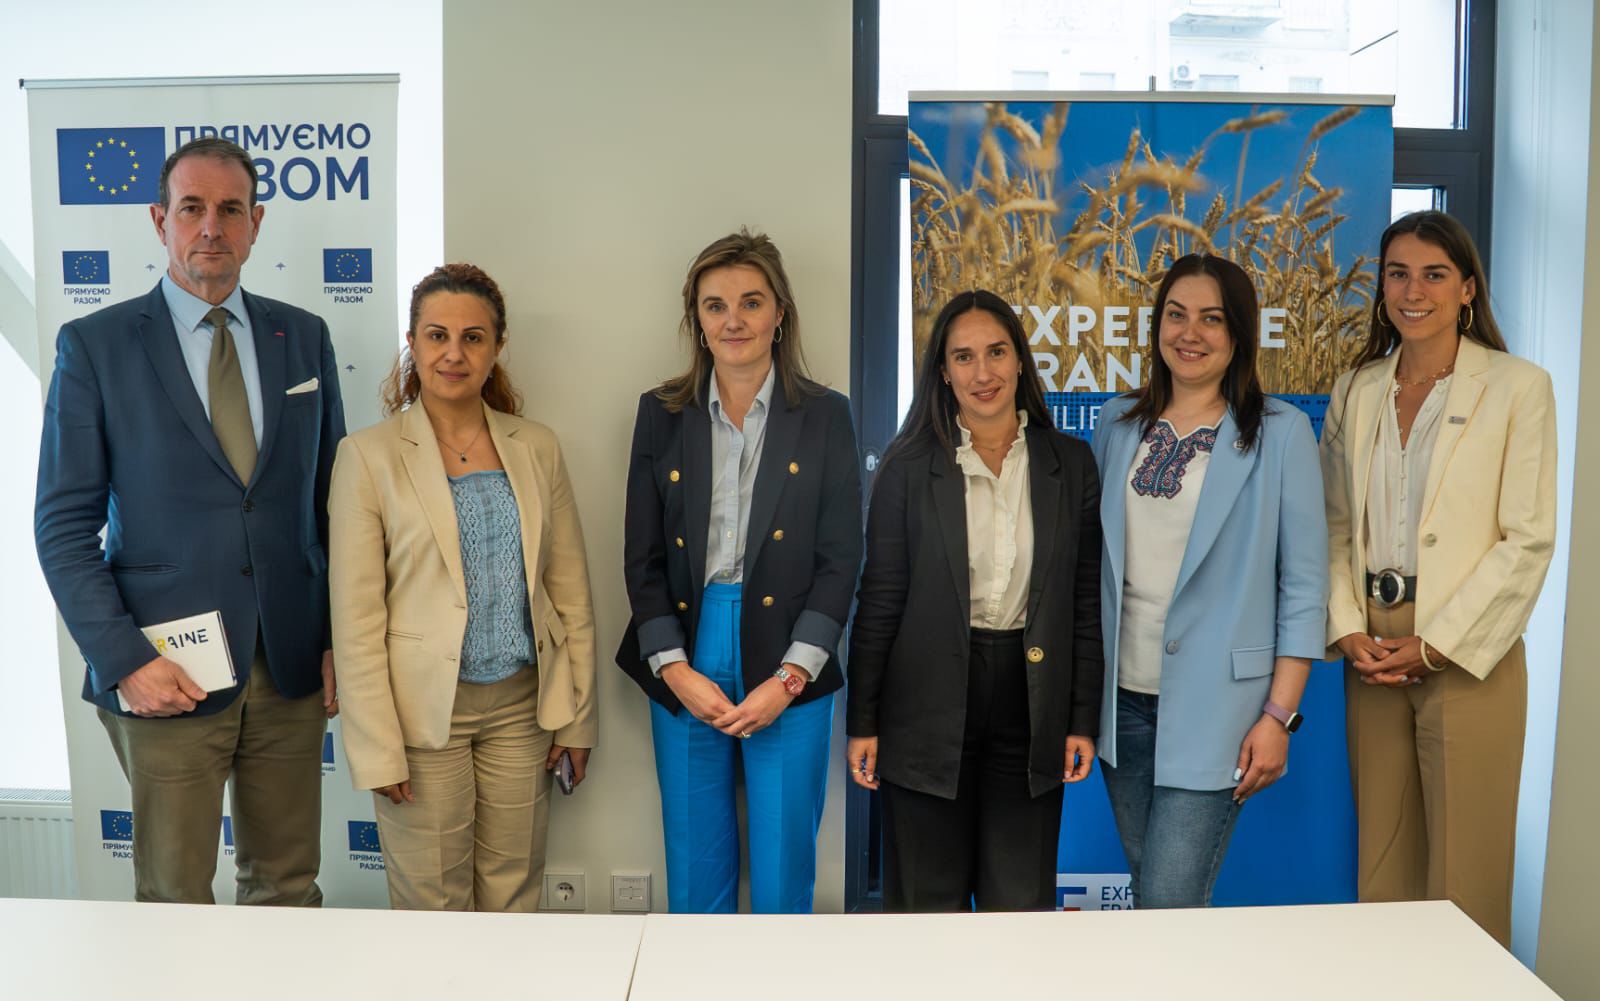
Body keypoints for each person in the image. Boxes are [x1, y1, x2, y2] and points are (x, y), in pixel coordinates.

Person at [34, 136, 346, 904]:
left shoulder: (303, 336)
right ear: (159, 219)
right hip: (166, 672)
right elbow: (63, 528)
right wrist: (124, 660)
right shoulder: (96, 346)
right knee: (174, 901)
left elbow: (334, 506)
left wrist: (340, 639)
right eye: (192, 208)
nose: (212, 227)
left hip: (289, 666)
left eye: (231, 209)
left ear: (256, 223)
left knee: (288, 887)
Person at [329, 263, 596, 911]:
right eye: (437, 335)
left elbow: (570, 594)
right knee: (433, 905)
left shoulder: (537, 447)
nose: (454, 353)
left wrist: (578, 717)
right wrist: (377, 748)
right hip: (422, 719)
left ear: (497, 346)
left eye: (473, 337)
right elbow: (356, 619)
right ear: (412, 343)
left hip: (522, 711)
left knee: (514, 895)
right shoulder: (367, 456)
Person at [1321, 211, 1556, 947]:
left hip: (1465, 648)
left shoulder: (1518, 387)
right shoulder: (1355, 390)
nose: (1413, 291)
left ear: (1467, 289)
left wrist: (1437, 645)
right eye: (1398, 274)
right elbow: (1330, 527)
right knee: (1382, 870)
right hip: (1372, 651)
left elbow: (1528, 538)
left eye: (1434, 274)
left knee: (1466, 878)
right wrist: (1347, 628)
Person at [617, 229, 862, 914]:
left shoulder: (826, 415)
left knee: (784, 873)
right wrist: (673, 669)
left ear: (780, 311)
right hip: (685, 646)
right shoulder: (661, 413)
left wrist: (791, 678)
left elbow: (841, 558)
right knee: (695, 871)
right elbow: (641, 556)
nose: (734, 320)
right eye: (715, 305)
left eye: (751, 302)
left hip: (790, 649)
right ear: (696, 318)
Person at [845, 289, 1102, 912]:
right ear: (943, 370)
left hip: (1030, 704)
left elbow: (1083, 602)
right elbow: (879, 601)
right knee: (926, 910)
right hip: (924, 708)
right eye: (963, 357)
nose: (982, 372)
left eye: (996, 352)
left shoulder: (1070, 463)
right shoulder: (907, 468)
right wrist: (864, 722)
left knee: (1020, 907)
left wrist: (1080, 719)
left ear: (1020, 360)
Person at [1091, 253, 1327, 909]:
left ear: (1239, 333)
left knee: (1169, 899)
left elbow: (1305, 587)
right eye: (1176, 315)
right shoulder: (1116, 423)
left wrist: (1279, 717)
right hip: (1121, 704)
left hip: (1223, 709)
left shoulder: (1280, 433)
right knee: (1155, 896)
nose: (1189, 333)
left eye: (1211, 319)